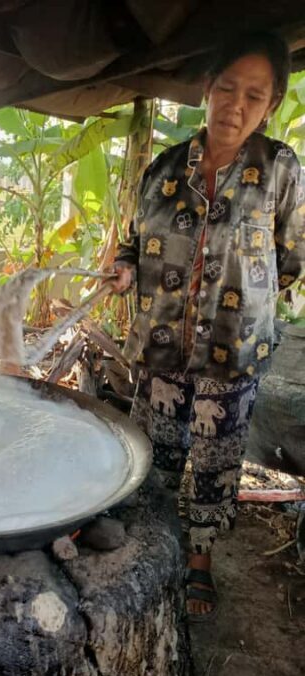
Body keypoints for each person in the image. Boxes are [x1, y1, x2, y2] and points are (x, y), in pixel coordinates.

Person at [109, 31, 305, 621]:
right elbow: (133, 241)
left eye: (253, 95)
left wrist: (244, 303)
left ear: (269, 105)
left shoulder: (278, 168)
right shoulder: (165, 167)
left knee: (217, 457)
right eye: (226, 88)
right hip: (161, 344)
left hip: (233, 350)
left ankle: (200, 560)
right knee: (154, 450)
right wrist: (123, 267)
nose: (236, 105)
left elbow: (291, 256)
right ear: (206, 88)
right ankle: (152, 547)